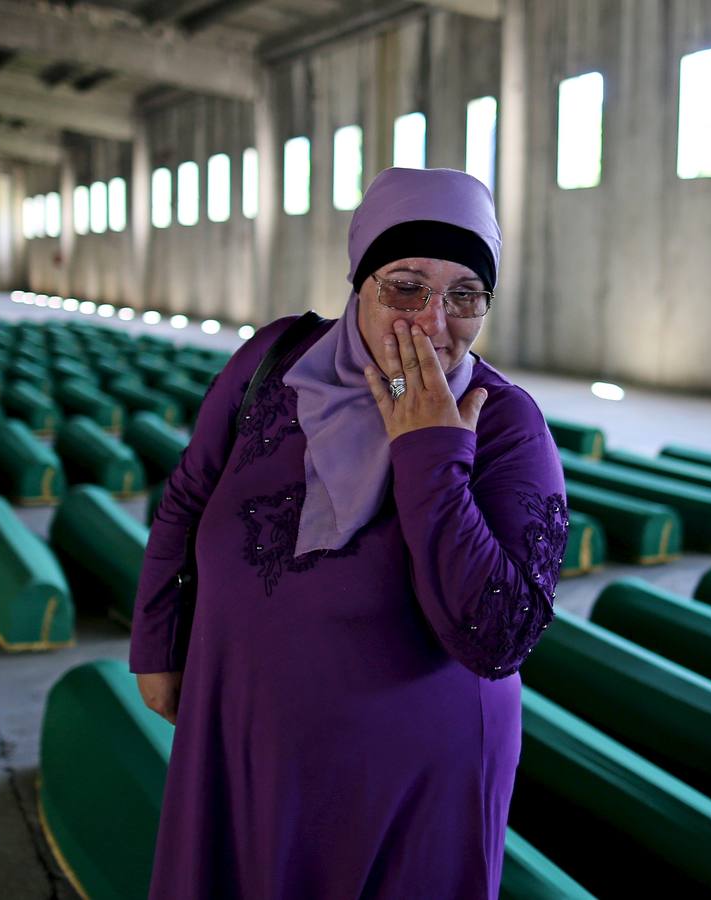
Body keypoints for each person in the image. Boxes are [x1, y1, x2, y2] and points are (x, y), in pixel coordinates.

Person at [130, 167, 568, 899]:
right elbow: (186, 497)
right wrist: (155, 644)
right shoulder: (274, 362)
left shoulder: (503, 422)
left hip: (405, 767)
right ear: (359, 279)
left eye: (465, 295)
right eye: (406, 285)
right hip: (242, 725)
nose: (432, 322)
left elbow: (500, 636)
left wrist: (429, 451)